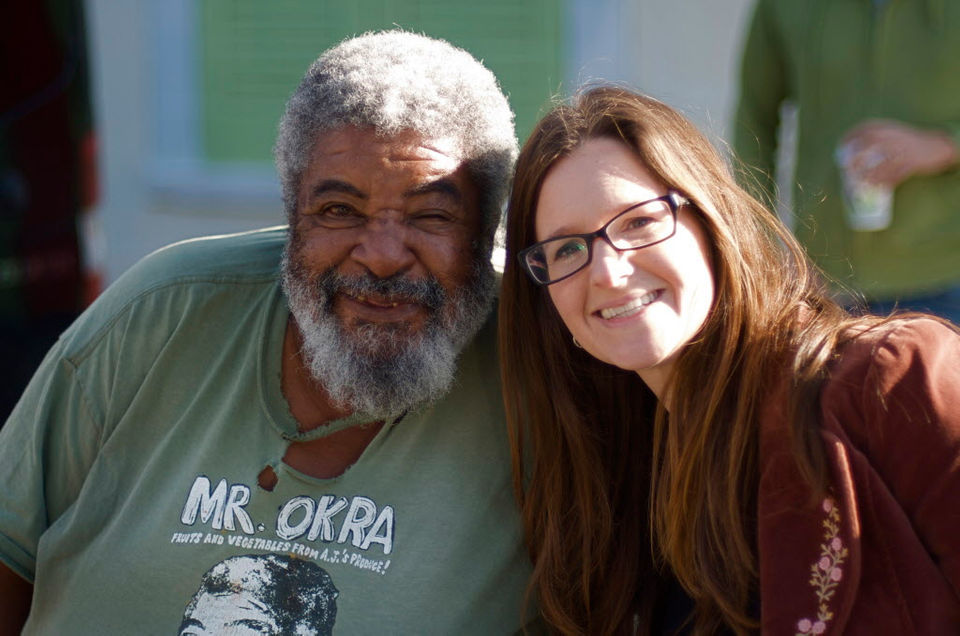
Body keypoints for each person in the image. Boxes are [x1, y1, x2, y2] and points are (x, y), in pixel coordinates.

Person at [0, 30, 533, 633]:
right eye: (339, 211)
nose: (383, 256)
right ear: (290, 217)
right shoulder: (162, 313)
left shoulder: (540, 376)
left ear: (488, 229)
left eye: (432, 215)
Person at [499, 86, 960, 634]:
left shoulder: (892, 377)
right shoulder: (613, 479)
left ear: (711, 222)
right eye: (567, 249)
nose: (607, 272)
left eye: (638, 222)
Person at [733, 0, 960, 322]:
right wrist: (762, 250)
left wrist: (944, 145)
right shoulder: (781, 7)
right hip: (825, 280)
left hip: (948, 274)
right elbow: (753, 123)